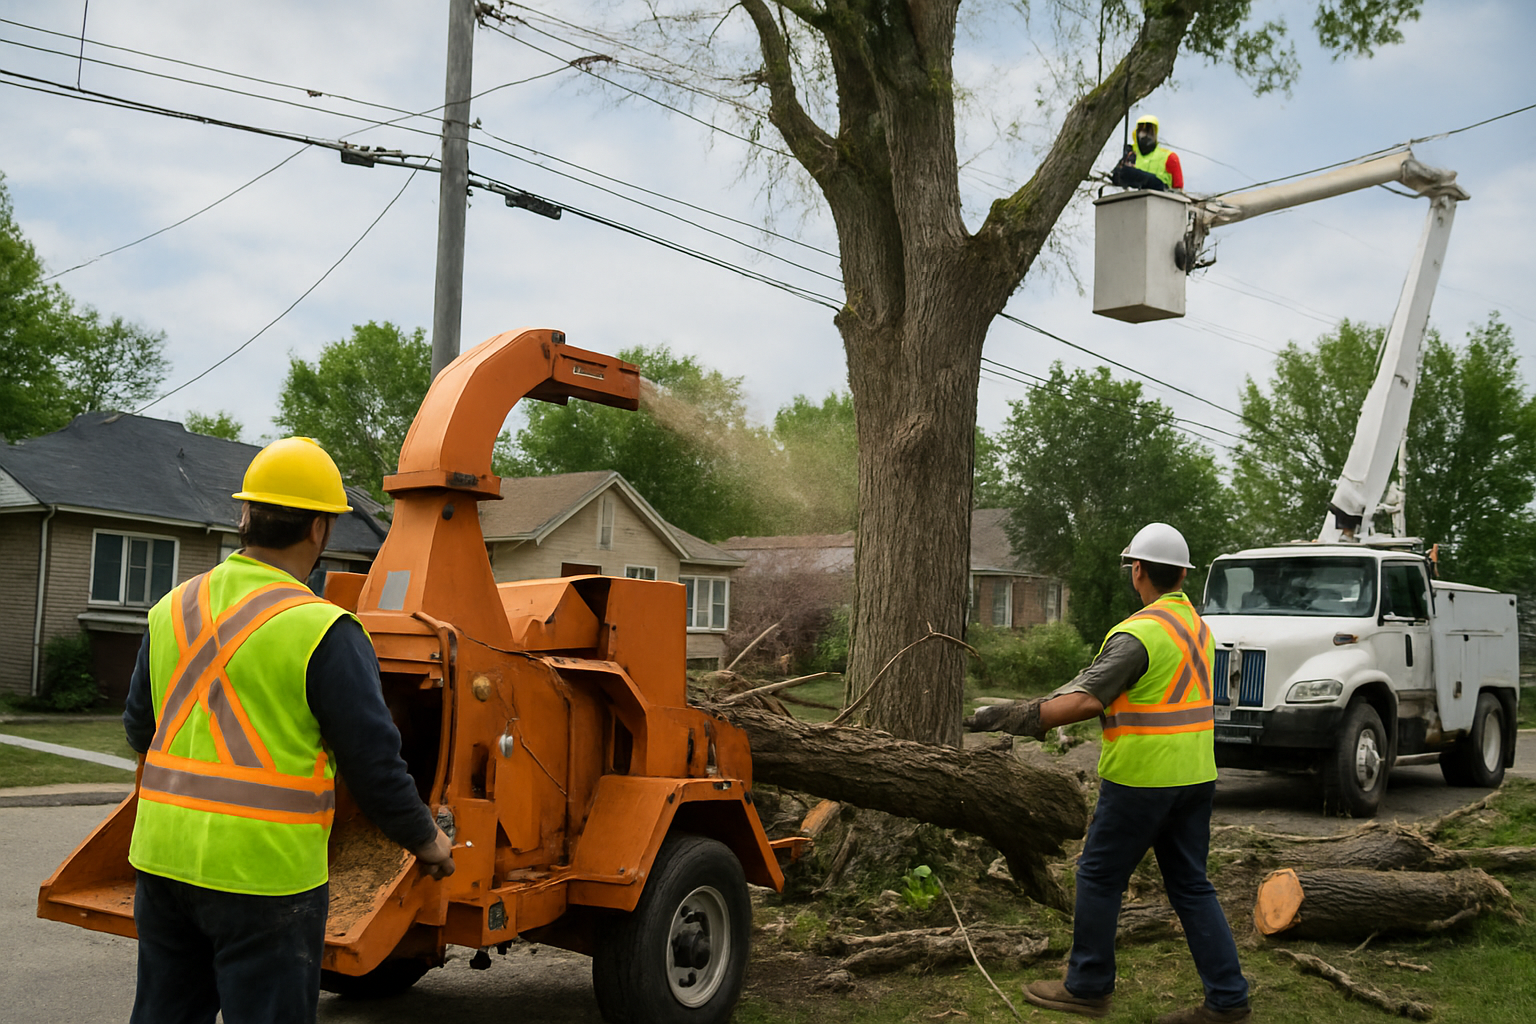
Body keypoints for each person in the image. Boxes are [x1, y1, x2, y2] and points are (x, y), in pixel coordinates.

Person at [122, 436, 456, 1024]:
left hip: (161, 865)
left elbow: (139, 728)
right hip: (265, 878)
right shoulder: (323, 629)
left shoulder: (172, 606)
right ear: (320, 532)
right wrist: (427, 843)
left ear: (245, 516)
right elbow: (374, 765)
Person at [965, 523, 1249, 1023]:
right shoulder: (1198, 628)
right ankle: (1228, 1000)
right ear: (1183, 574)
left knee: (1098, 876)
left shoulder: (1140, 632)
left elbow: (1087, 698)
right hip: (1196, 776)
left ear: (1137, 570)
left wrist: (1010, 716)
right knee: (1192, 885)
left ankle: (1088, 986)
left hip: (1142, 779)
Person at [1109, 113, 1184, 192]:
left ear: (1155, 132)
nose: (1145, 135)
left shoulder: (1169, 157)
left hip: (1161, 201)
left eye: (1149, 130)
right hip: (1134, 201)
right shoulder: (1130, 156)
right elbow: (1116, 179)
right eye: (1141, 130)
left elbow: (1178, 191)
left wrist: (1152, 182)